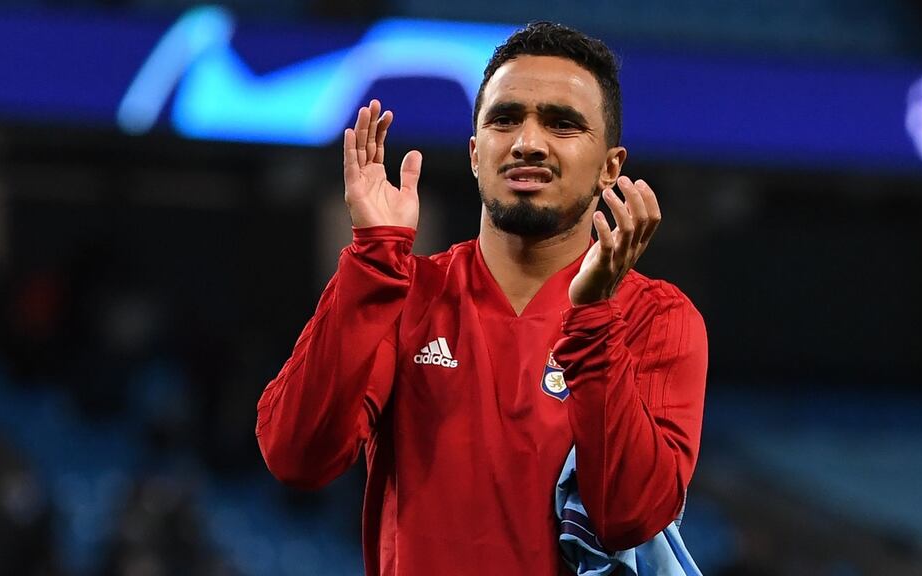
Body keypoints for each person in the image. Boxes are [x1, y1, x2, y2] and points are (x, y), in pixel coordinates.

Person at [256, 21, 708, 576]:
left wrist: (593, 319)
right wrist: (375, 258)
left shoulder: (657, 319)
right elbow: (298, 456)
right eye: (505, 118)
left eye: (562, 124)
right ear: (475, 152)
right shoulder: (403, 294)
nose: (527, 142)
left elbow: (629, 517)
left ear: (609, 168)